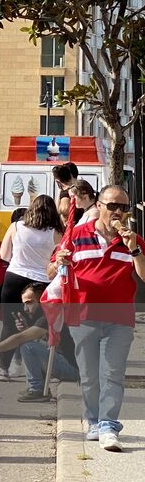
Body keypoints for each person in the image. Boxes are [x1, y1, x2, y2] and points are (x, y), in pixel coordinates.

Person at [51, 185, 145, 452]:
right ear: (99, 206)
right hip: (83, 317)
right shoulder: (77, 235)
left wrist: (135, 250)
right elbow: (50, 270)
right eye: (112, 206)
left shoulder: (132, 240)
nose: (118, 212)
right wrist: (59, 261)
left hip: (120, 318)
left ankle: (108, 425)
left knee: (113, 373)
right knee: (90, 375)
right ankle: (93, 420)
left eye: (123, 208)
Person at [0, 283, 78, 403]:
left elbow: (19, 339)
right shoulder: (47, 312)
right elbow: (43, 340)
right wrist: (27, 329)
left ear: (41, 299)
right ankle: (38, 387)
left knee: (27, 346)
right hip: (67, 364)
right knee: (29, 343)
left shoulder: (48, 315)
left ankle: (37, 388)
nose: (25, 309)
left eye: (29, 303)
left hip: (72, 370)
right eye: (24, 304)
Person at [0, 195, 64, 381]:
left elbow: (4, 254)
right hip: (41, 282)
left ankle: (4, 369)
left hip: (14, 277)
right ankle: (37, 369)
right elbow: (59, 259)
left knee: (9, 326)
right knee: (39, 327)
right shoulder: (56, 232)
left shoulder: (16, 226)